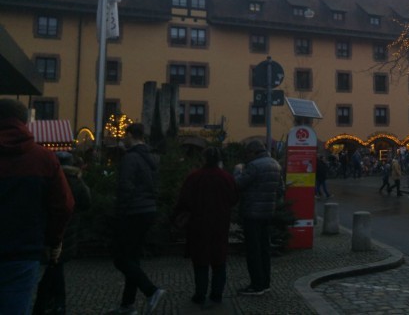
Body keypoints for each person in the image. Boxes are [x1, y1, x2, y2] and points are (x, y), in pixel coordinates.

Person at [0, 99, 74, 315]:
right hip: (24, 251)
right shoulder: (43, 158)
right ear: (25, 122)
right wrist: (53, 240)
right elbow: (64, 205)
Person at [108, 123, 165, 315]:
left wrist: (119, 213)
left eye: (125, 135)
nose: (123, 138)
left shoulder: (130, 158)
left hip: (132, 211)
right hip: (148, 209)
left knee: (121, 259)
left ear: (131, 135)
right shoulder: (151, 157)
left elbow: (125, 187)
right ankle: (127, 305)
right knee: (132, 258)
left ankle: (151, 290)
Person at [172, 147, 238, 306]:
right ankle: (217, 294)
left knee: (200, 260)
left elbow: (184, 200)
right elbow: (234, 198)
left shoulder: (194, 177)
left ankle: (200, 294)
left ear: (204, 159)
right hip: (220, 223)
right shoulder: (227, 178)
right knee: (219, 260)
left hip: (198, 224)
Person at [34, 151, 91, 315]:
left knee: (54, 267)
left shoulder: (51, 178)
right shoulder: (77, 181)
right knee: (55, 267)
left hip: (53, 230)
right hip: (69, 232)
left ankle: (52, 303)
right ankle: (54, 303)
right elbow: (87, 203)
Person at [234, 140, 283, 296]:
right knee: (264, 249)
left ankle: (256, 285)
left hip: (252, 213)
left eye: (247, 153)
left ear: (253, 152)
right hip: (268, 212)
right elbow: (281, 189)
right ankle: (265, 283)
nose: (246, 157)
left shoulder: (254, 166)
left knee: (253, 250)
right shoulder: (275, 164)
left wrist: (237, 171)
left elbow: (238, 184)